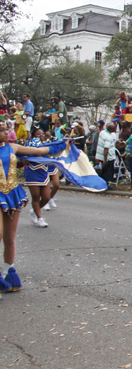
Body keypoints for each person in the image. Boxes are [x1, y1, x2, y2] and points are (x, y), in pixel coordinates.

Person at [0, 125, 67, 292]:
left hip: (12, 194)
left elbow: (40, 150)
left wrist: (63, 144)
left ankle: (9, 273)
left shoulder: (13, 147)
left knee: (10, 238)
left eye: (6, 129)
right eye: (2, 130)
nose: (7, 132)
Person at [23, 129, 51, 228]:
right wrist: (30, 153)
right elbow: (25, 162)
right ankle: (40, 219)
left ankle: (34, 211)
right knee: (36, 197)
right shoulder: (29, 145)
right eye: (37, 133)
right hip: (33, 173)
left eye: (42, 133)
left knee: (46, 197)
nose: (40, 135)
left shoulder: (47, 145)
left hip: (43, 172)